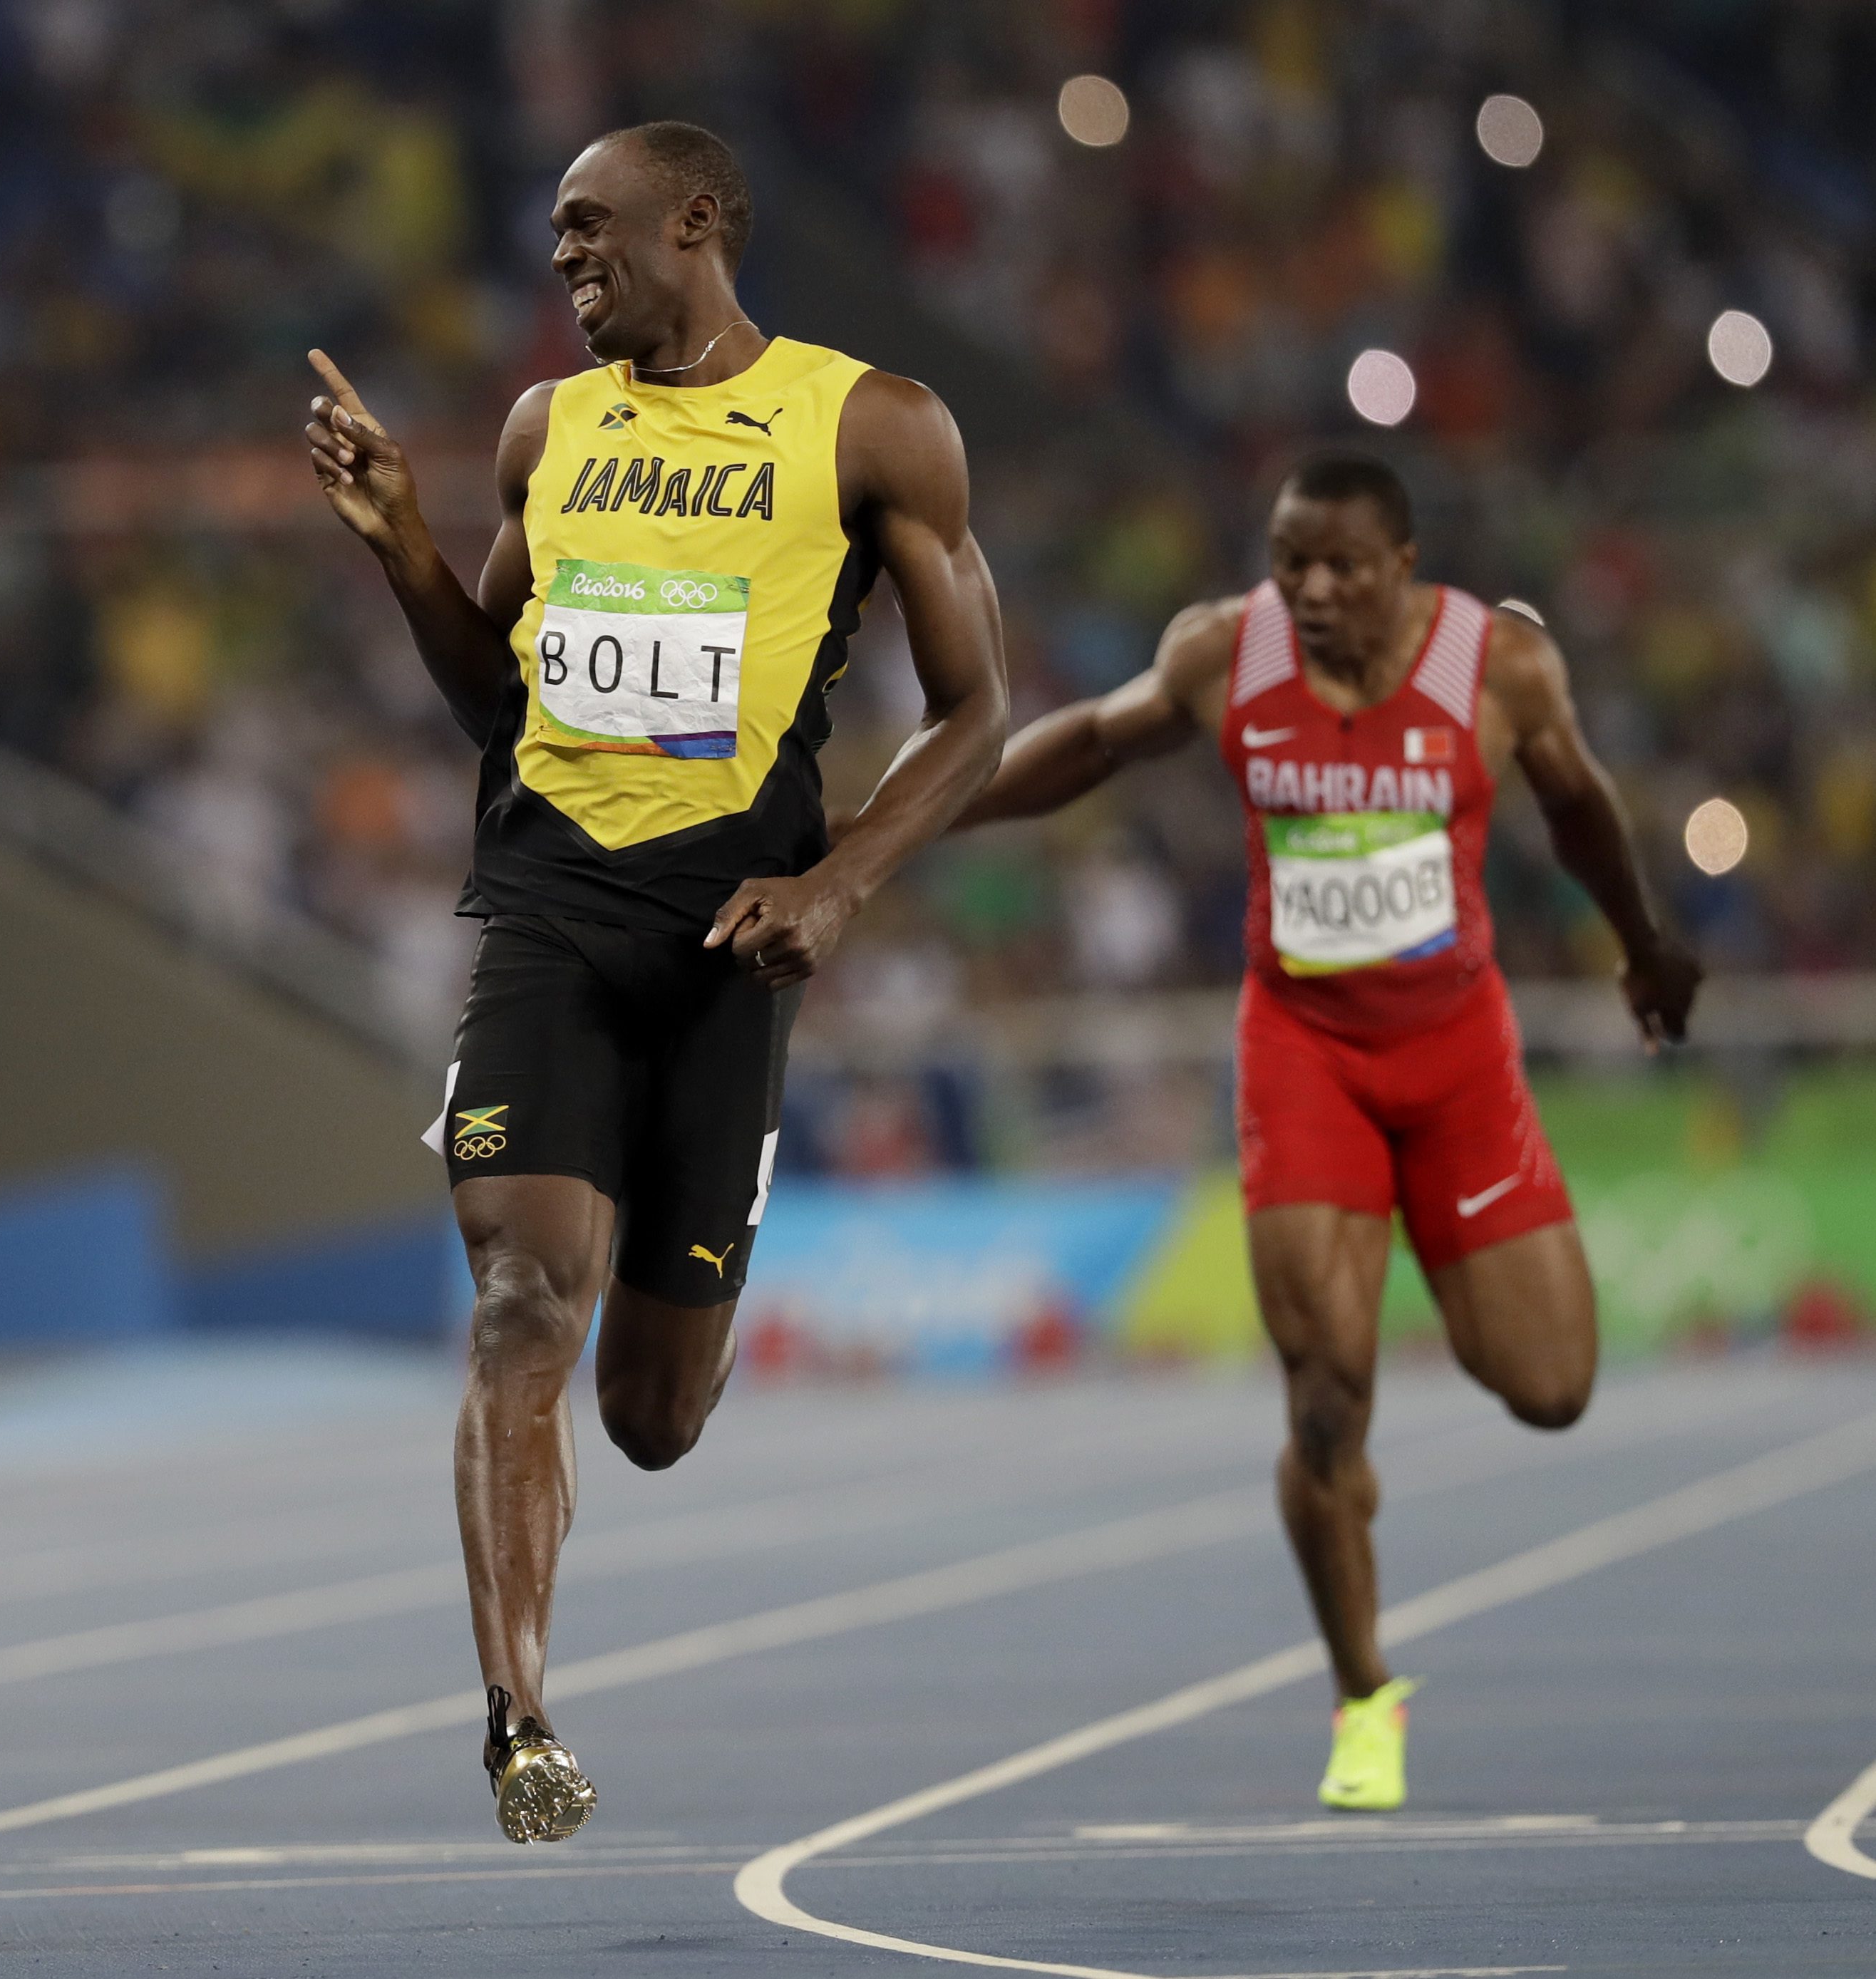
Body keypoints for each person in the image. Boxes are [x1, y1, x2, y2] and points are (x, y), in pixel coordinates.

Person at [304, 123, 1008, 1841]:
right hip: (547, 917)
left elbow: (978, 711)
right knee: (524, 1302)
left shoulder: (874, 424)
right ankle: (518, 1721)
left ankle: (669, 1326)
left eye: (587, 226)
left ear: (695, 220)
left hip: (732, 935)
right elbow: (499, 698)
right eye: (553, 235)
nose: (563, 259)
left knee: (655, 1417)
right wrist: (402, 536)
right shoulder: (552, 427)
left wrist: (837, 887)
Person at [953, 453, 1700, 1811]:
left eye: (1340, 564)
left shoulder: (1498, 664)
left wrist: (1642, 946)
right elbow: (1094, 744)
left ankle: (1417, 1407)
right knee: (1323, 1395)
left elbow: (1579, 804)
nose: (1308, 586)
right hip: (1304, 1054)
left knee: (1548, 1388)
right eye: (1290, 558)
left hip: (1456, 1058)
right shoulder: (1223, 653)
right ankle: (1364, 1694)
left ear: (1403, 567)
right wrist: (917, 810)